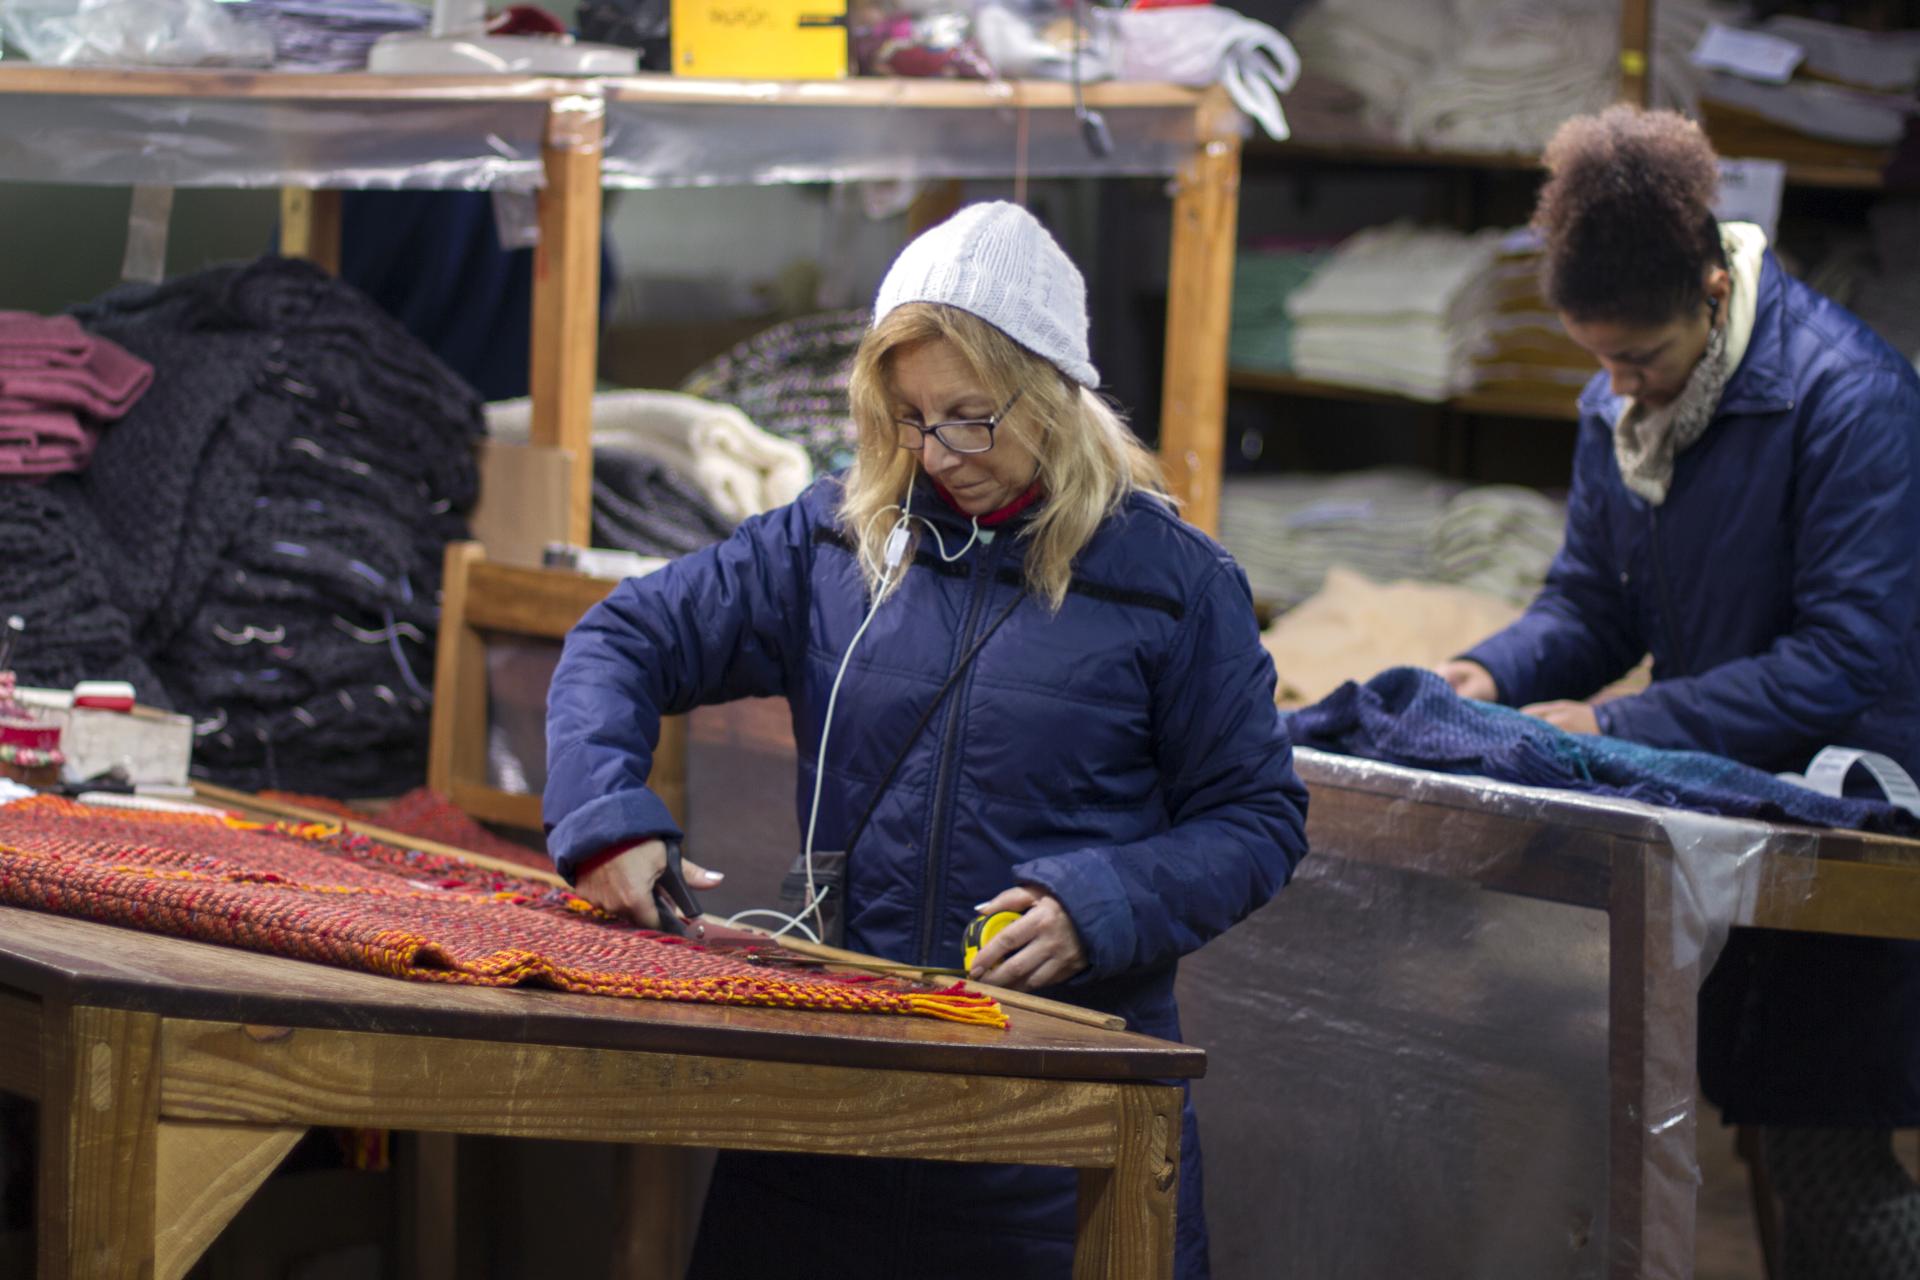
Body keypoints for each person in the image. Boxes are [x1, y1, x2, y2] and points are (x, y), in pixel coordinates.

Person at [544, 201, 1310, 1278]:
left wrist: (1100, 906)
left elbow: (1258, 816)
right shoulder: (834, 542)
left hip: (1051, 1146)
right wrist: (602, 814)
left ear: (1052, 393)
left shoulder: (1177, 589)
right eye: (908, 416)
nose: (937, 452)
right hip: (827, 1126)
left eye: (970, 415)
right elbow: (621, 636)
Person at [1438, 106, 1920, 1278]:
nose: (1620, 391)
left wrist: (1614, 721)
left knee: (1824, 1160)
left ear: (1714, 292)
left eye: (1641, 360)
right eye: (1598, 363)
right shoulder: (1620, 407)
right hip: (1733, 790)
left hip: (1856, 809)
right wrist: (1490, 670)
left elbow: (1849, 653)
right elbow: (1591, 606)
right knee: (1697, 1110)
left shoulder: (1849, 397)